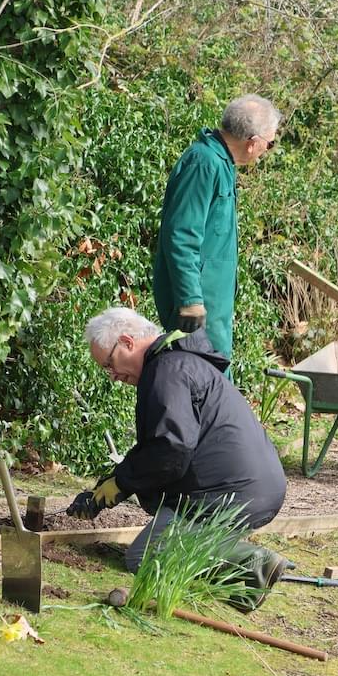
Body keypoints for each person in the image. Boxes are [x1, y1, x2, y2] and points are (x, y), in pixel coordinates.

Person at [67, 307, 288, 611]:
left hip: (231, 494)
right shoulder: (177, 363)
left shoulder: (167, 371)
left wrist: (123, 482)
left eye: (109, 363)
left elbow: (170, 451)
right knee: (153, 549)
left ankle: (252, 563)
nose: (113, 376)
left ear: (128, 342)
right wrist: (115, 483)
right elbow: (162, 444)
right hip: (246, 487)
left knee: (142, 556)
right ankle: (230, 564)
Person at [152, 94, 282, 363]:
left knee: (214, 382)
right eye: (269, 144)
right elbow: (181, 234)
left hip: (213, 306)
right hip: (198, 307)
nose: (265, 151)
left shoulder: (221, 164)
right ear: (252, 143)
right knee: (207, 384)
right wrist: (189, 298)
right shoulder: (203, 163)